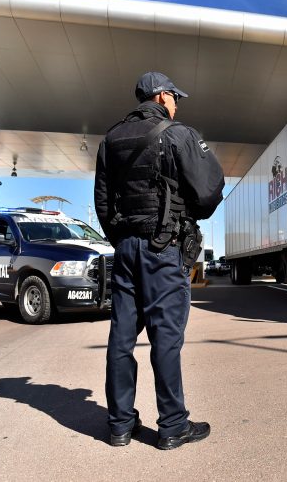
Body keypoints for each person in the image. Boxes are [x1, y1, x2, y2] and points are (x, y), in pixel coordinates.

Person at [94, 71, 225, 450]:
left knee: (121, 336)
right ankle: (172, 426)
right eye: (175, 98)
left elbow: (103, 203)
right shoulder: (178, 133)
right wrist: (183, 218)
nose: (177, 104)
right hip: (162, 248)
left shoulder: (111, 139)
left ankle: (120, 425)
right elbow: (209, 189)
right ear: (162, 96)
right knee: (165, 338)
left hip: (127, 250)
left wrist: (122, 238)